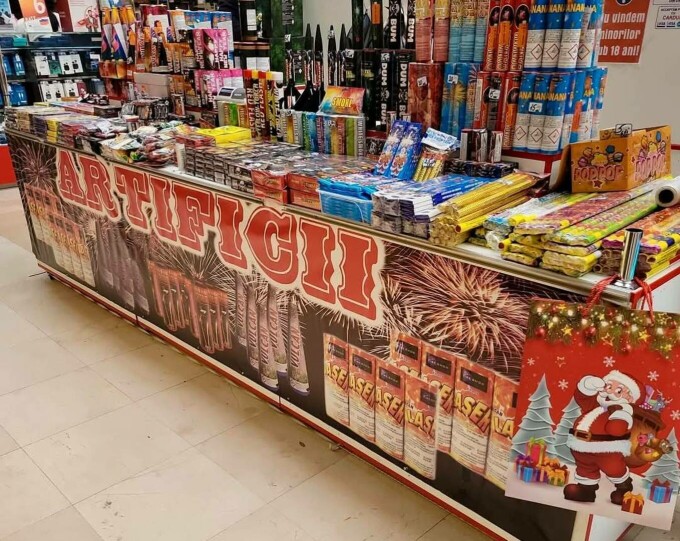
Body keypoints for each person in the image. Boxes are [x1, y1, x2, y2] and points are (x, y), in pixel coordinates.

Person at [563, 370, 641, 504]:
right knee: (585, 468)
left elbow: (616, 430)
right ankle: (586, 490)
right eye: (608, 386)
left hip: (607, 451)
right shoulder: (595, 405)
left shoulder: (622, 412)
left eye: (618, 391)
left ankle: (624, 488)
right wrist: (589, 385)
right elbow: (581, 397)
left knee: (614, 469)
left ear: (629, 398)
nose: (609, 392)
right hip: (580, 447)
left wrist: (620, 415)